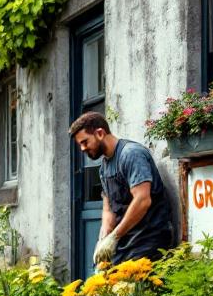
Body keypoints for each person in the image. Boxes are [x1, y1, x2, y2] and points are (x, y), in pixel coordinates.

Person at [70, 111, 174, 266]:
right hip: (126, 240)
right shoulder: (104, 168)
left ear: (100, 133)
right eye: (80, 145)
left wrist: (115, 237)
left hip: (149, 238)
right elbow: (108, 209)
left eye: (85, 142)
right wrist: (103, 240)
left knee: (130, 287)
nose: (83, 149)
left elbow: (142, 200)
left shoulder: (131, 154)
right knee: (103, 281)